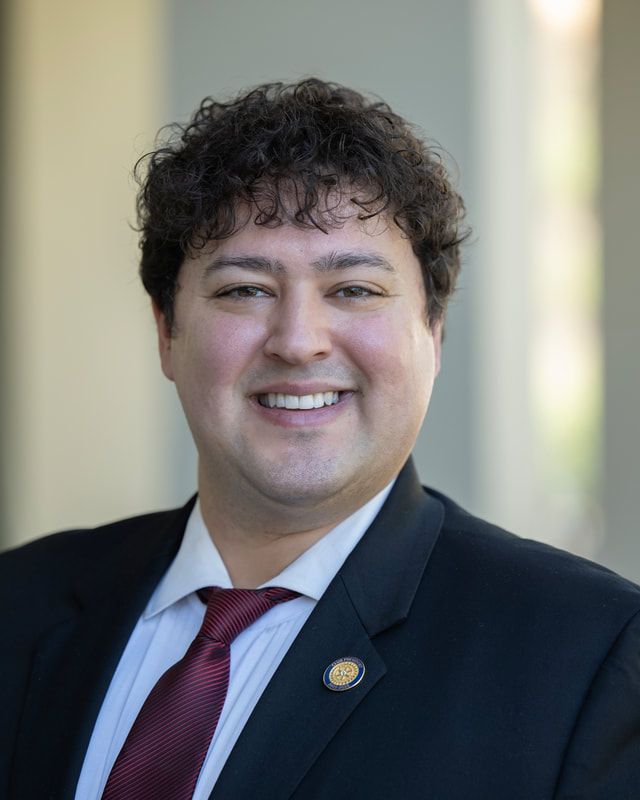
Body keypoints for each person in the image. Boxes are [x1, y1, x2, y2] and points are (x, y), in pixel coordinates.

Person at [1, 79, 639, 800]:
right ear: (166, 334)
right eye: (244, 289)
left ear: (434, 334)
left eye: (354, 291)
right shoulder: (18, 604)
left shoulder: (586, 654)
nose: (298, 342)